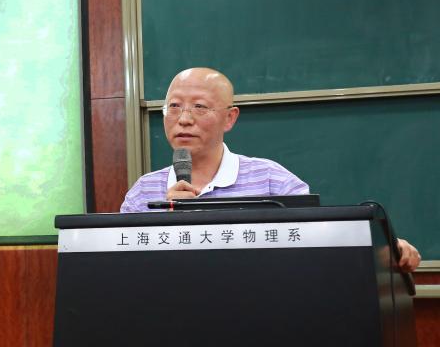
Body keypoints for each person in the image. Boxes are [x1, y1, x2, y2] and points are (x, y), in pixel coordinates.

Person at [120, 67, 422, 273]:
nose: (184, 119)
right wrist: (166, 223)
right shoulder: (144, 192)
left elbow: (322, 239)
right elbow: (122, 266)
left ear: (229, 118)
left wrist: (385, 247)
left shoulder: (270, 179)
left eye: (199, 107)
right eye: (174, 107)